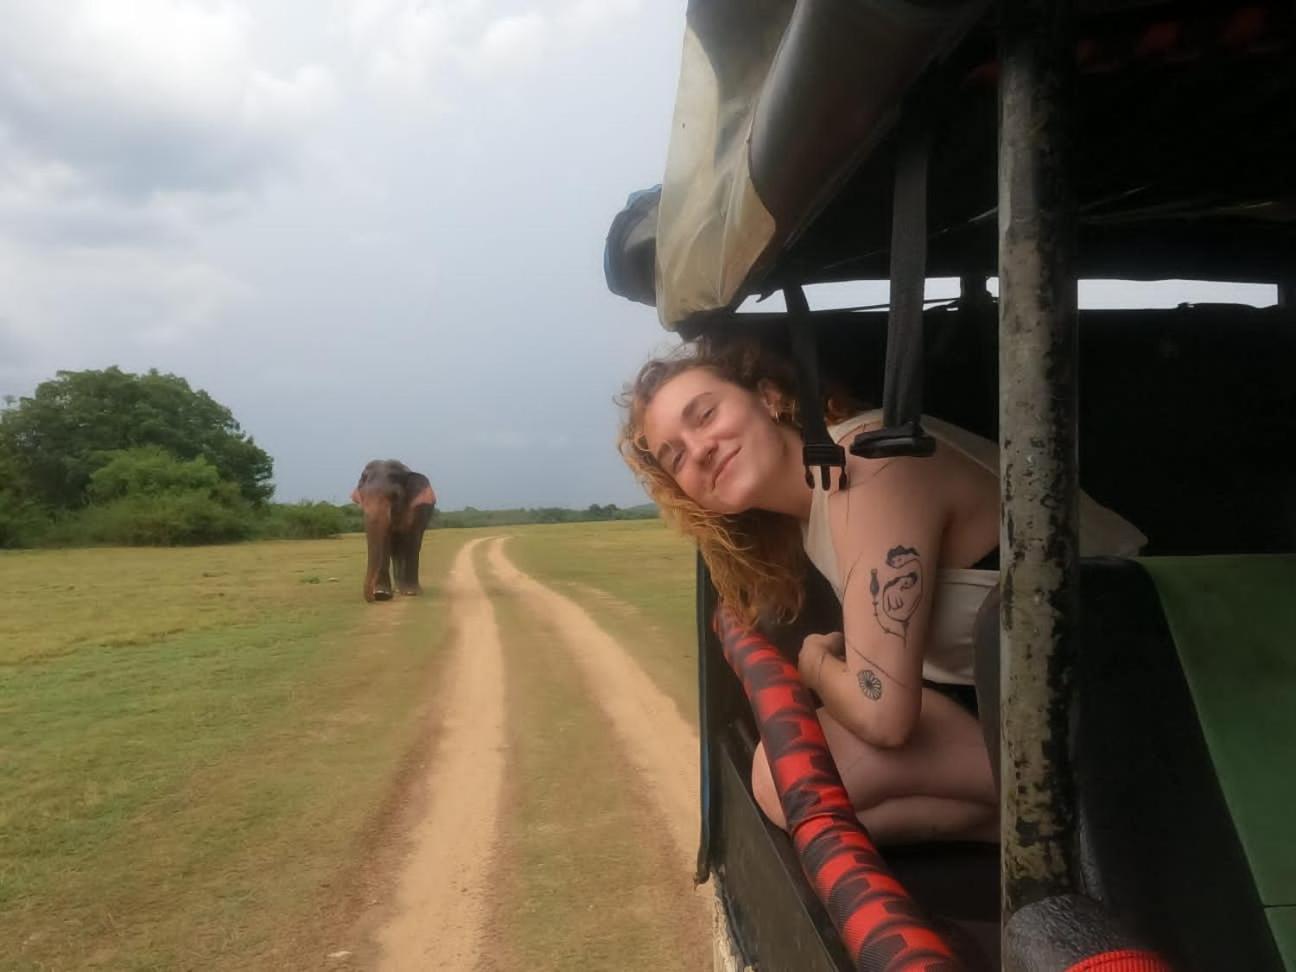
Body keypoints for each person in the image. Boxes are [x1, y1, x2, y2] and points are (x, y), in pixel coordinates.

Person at [618, 338, 1144, 844]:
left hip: (1146, 686)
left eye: (705, 415)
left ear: (769, 397)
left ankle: (1088, 827)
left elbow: (882, 715)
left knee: (793, 778)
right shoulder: (813, 513)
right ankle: (1051, 840)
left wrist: (816, 666)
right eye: (676, 457)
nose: (700, 451)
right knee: (785, 782)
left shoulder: (865, 468)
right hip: (1051, 702)